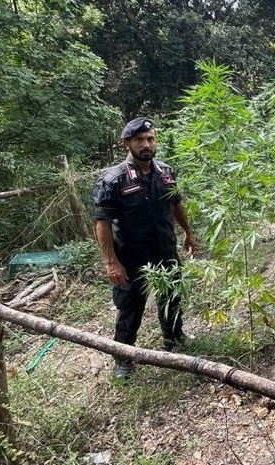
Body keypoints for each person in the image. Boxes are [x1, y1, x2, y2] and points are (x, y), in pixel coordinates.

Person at [93, 117, 196, 379]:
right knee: (130, 308)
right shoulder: (113, 180)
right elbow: (102, 224)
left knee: (171, 299)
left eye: (150, 138)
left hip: (165, 250)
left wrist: (187, 232)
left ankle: (174, 341)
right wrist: (111, 262)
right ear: (127, 143)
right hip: (131, 257)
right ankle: (123, 358)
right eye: (139, 140)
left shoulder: (165, 172)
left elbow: (176, 204)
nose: (146, 144)